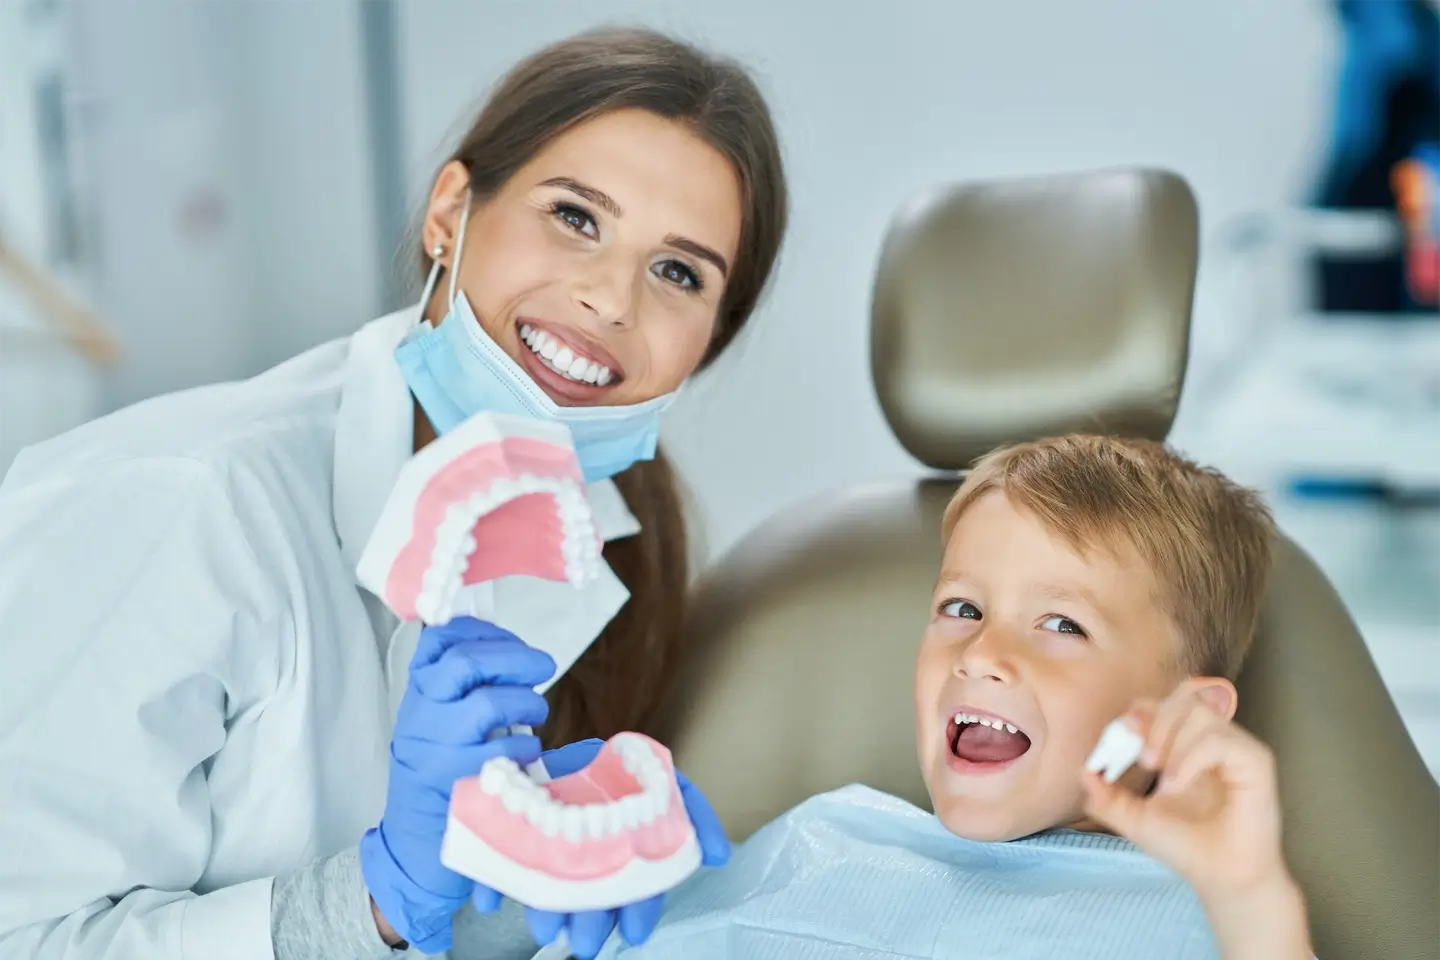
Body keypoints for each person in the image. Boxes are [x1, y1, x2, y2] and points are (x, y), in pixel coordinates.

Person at [0, 27, 786, 960]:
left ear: (709, 342)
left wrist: (530, 880)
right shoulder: (178, 504)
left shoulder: (623, 542)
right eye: (576, 217)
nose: (614, 300)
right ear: (450, 215)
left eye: (677, 272)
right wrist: (370, 902)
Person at [594, 435, 1315, 959]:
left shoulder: (1212, 919)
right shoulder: (823, 837)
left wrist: (1254, 905)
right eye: (964, 609)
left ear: (1185, 720)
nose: (982, 655)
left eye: (1063, 624)